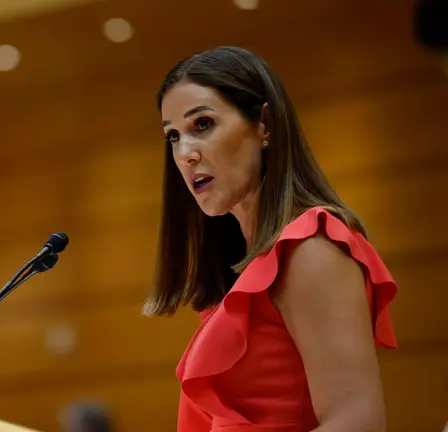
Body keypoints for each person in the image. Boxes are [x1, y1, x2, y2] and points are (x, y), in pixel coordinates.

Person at [144, 46, 398, 431]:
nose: (185, 154)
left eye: (203, 125)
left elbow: (356, 422)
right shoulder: (245, 271)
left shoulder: (311, 246)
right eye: (173, 137)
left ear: (264, 123)